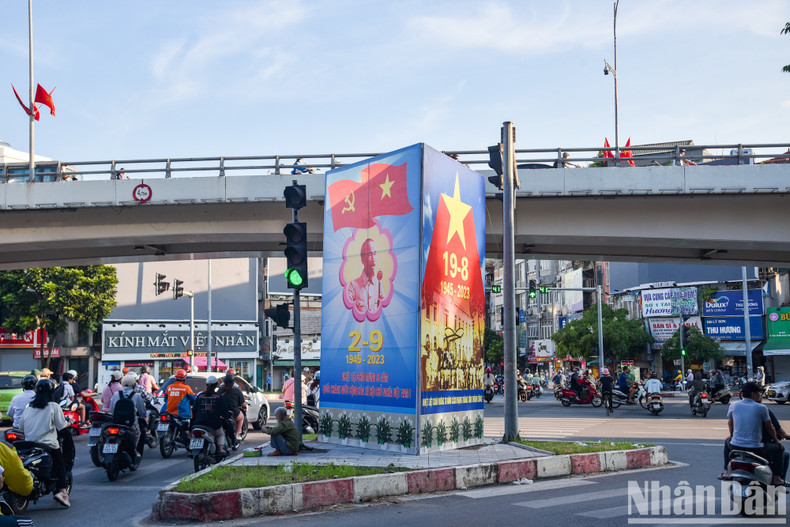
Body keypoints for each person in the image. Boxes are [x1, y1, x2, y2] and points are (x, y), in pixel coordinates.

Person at [18, 379, 71, 507]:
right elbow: (61, 426)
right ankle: (63, 493)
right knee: (60, 465)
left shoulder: (29, 407)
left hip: (29, 444)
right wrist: (70, 422)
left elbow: (21, 427)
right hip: (48, 445)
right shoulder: (53, 406)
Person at [723, 382, 784, 485]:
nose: (760, 395)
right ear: (753, 394)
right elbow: (770, 428)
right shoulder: (761, 408)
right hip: (756, 448)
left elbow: (730, 423)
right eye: (758, 393)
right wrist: (777, 441)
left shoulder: (734, 405)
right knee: (779, 450)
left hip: (735, 446)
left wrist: (732, 435)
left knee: (726, 441)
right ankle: (777, 478)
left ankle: (726, 471)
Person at [109, 374, 148, 462]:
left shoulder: (116, 394)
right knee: (138, 433)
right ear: (133, 384)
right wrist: (145, 419)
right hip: (131, 424)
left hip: (117, 423)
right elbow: (142, 412)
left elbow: (112, 410)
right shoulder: (136, 395)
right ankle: (134, 450)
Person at [192, 375, 228, 455]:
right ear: (216, 385)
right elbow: (223, 411)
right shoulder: (218, 397)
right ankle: (221, 449)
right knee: (221, 434)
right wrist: (227, 415)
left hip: (199, 423)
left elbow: (194, 410)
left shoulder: (200, 396)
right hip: (213, 424)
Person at [345, 238, 383, 314]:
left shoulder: (379, 284)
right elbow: (347, 311)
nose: (373, 259)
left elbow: (385, 310)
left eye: (375, 254)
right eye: (369, 254)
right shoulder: (353, 285)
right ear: (362, 259)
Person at [219, 373, 246, 441]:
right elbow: (243, 404)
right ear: (233, 382)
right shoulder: (237, 390)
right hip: (233, 414)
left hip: (222, 413)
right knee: (241, 418)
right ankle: (238, 435)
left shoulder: (220, 390)